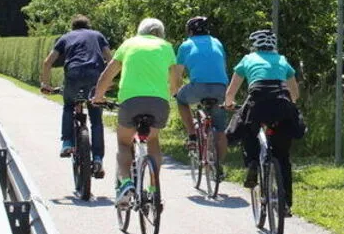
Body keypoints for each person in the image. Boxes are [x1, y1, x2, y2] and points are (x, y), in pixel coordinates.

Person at [92, 18, 178, 208]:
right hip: (159, 102)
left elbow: (109, 72)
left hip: (130, 102)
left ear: (140, 31)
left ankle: (125, 183)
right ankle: (154, 189)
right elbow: (175, 80)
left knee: (124, 143)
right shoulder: (167, 47)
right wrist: (169, 95)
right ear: (161, 33)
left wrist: (99, 95)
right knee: (154, 141)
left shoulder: (129, 44)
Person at [223, 29, 301, 215]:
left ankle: (252, 163)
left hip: (257, 101)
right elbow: (295, 94)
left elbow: (231, 92)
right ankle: (285, 204)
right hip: (282, 101)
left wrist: (229, 104)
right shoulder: (282, 60)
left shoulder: (248, 59)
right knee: (283, 158)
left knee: (246, 126)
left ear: (254, 45)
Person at [41, 15, 112, 176]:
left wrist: (45, 84)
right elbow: (111, 59)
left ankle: (67, 143)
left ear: (73, 27)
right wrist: (108, 82)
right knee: (96, 120)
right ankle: (98, 159)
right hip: (95, 76)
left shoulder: (65, 38)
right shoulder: (98, 36)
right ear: (89, 26)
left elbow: (47, 62)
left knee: (68, 105)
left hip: (73, 75)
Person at [173, 16, 229, 181]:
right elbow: (222, 65)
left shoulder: (186, 45)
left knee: (182, 100)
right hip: (221, 88)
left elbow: (177, 73)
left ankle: (191, 134)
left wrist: (176, 90)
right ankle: (218, 164)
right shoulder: (217, 42)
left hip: (198, 87)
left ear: (190, 31)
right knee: (220, 130)